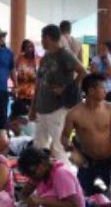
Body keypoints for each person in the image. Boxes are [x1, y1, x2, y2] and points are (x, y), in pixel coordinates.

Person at [61, 73, 111, 194]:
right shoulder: (74, 113)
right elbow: (64, 137)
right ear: (91, 90)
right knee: (82, 197)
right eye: (103, 88)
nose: (106, 91)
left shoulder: (110, 109)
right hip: (87, 162)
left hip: (109, 161)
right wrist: (72, 150)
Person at [33, 24, 86, 161]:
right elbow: (38, 83)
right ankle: (40, 174)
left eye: (43, 38)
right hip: (42, 106)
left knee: (58, 146)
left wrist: (68, 89)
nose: (42, 41)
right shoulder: (45, 58)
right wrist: (33, 108)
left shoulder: (65, 54)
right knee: (39, 145)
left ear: (48, 38)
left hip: (58, 107)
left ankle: (63, 177)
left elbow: (83, 72)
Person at [18, 147, 85, 207]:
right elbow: (23, 194)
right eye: (28, 174)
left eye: (32, 173)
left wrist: (42, 201)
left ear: (42, 164)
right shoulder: (39, 175)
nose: (31, 176)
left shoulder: (61, 174)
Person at [13, 39, 39, 114]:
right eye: (28, 47)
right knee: (20, 113)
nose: (30, 49)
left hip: (34, 92)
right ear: (24, 48)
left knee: (32, 113)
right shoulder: (19, 58)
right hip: (21, 91)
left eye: (32, 47)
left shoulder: (37, 59)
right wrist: (15, 86)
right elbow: (13, 70)